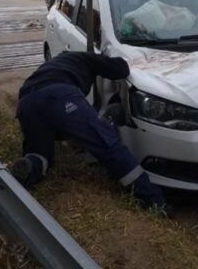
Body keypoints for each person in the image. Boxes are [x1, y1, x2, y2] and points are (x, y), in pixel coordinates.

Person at [10, 51, 167, 212]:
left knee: (40, 152)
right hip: (58, 95)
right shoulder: (84, 57)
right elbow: (120, 69)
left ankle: (30, 167)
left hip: (26, 103)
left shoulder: (52, 65)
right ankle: (153, 202)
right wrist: (128, 61)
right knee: (106, 143)